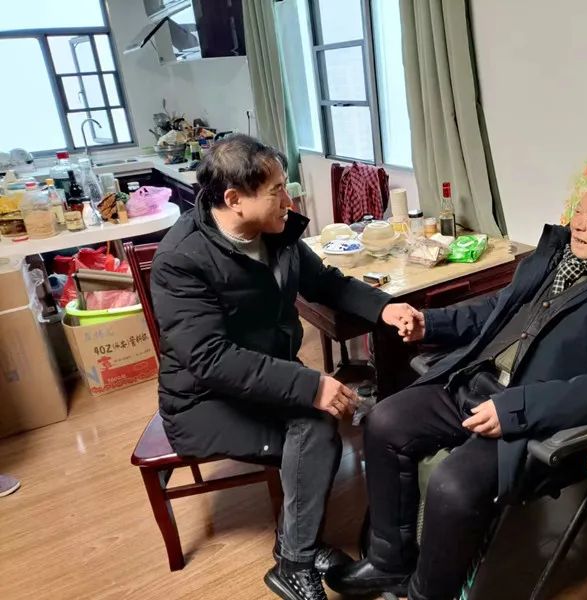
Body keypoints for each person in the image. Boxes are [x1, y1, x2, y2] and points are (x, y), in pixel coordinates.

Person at [326, 176, 587, 600]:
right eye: (578, 211)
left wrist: (516, 409)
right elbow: (497, 309)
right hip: (477, 380)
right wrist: (431, 323)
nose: (577, 223)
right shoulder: (558, 254)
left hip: (534, 413)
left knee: (453, 485)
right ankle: (388, 563)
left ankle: (427, 595)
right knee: (384, 421)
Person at [150, 135, 416, 600]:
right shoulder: (182, 259)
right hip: (203, 400)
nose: (289, 201)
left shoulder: (277, 230)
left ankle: (297, 547)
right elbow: (209, 359)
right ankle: (295, 562)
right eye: (276, 191)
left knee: (319, 420)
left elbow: (326, 283)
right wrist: (310, 385)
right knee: (315, 425)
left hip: (262, 377)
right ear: (234, 199)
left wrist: (383, 307)